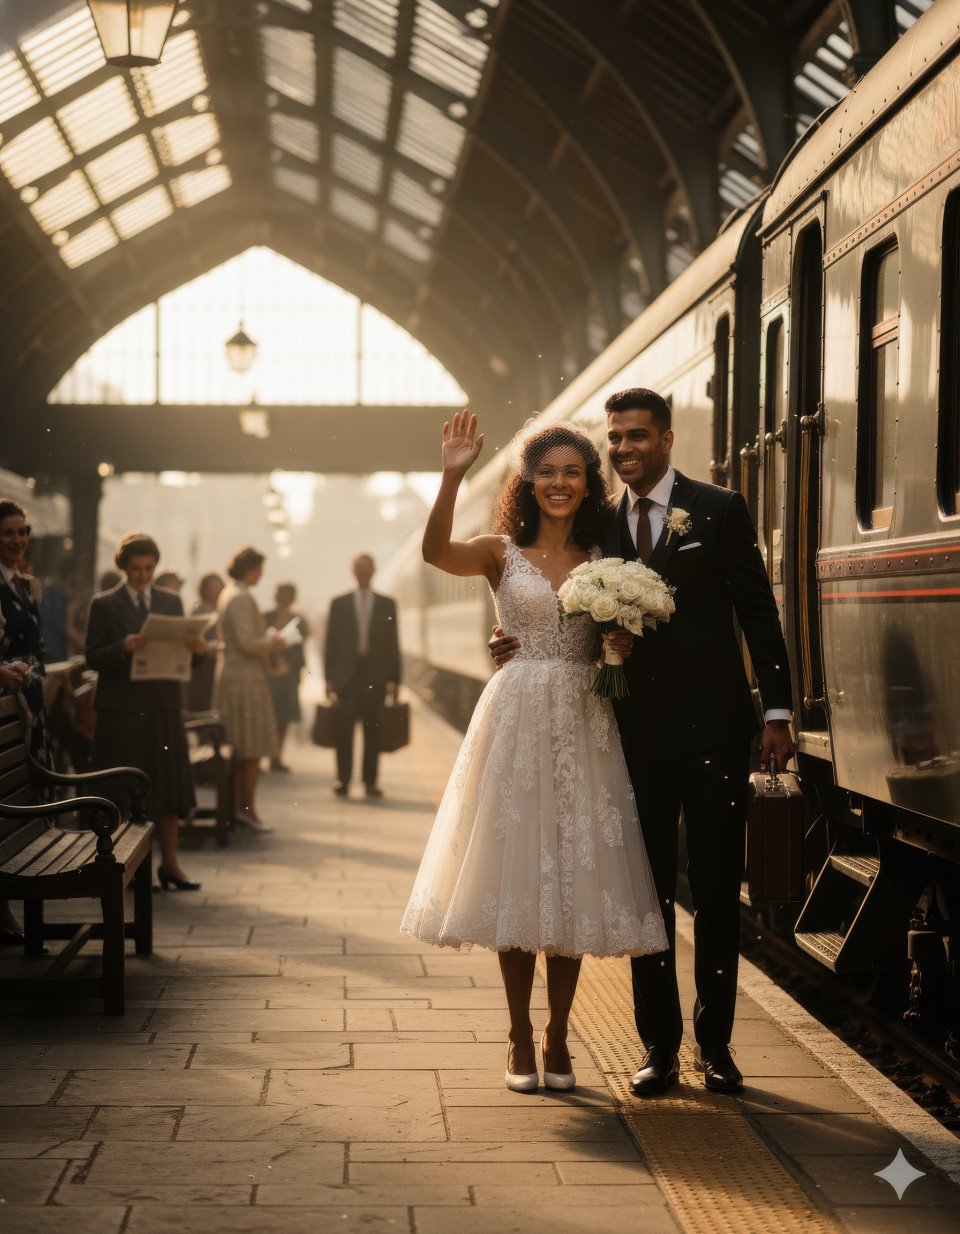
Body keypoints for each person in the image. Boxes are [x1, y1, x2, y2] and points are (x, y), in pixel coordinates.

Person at [491, 388, 795, 1096]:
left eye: (636, 436)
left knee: (718, 890)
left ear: (665, 437)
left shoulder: (717, 509)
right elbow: (549, 586)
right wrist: (510, 634)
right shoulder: (597, 523)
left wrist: (777, 713)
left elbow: (757, 612)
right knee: (647, 894)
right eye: (615, 439)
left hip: (717, 728)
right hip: (628, 734)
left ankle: (715, 1048)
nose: (623, 448)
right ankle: (658, 1047)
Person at [401, 412, 667, 1093]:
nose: (558, 483)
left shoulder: (605, 559)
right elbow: (434, 553)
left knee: (571, 880)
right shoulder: (499, 551)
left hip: (585, 720)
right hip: (517, 717)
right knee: (519, 874)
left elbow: (628, 631)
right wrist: (451, 474)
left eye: (571, 472)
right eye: (545, 472)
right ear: (528, 481)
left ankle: (558, 1034)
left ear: (588, 484)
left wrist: (623, 645)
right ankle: (519, 1031)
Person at [85, 532, 210, 892]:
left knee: (167, 788)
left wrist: (198, 648)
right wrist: (123, 647)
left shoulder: (170, 601)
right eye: (136, 569)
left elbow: (193, 657)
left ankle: (170, 865)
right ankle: (127, 870)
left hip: (162, 706)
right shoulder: (105, 604)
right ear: (124, 568)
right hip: (122, 712)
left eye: (148, 568)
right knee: (124, 790)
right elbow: (93, 656)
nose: (142, 576)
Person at [0, 499, 53, 945]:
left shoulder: (27, 584)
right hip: (3, 703)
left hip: (29, 705)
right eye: (7, 533)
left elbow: (39, 646)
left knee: (28, 795)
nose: (17, 540)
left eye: (22, 532)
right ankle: (4, 911)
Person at [214, 547, 285, 832]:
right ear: (250, 569)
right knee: (251, 747)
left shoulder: (228, 593)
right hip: (245, 680)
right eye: (259, 569)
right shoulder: (242, 597)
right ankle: (247, 810)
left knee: (240, 747)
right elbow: (247, 642)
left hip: (234, 676)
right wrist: (275, 641)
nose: (261, 574)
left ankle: (239, 809)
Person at [324, 553, 400, 799]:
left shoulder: (387, 603)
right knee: (343, 731)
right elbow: (330, 644)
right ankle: (343, 780)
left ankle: (370, 782)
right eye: (359, 569)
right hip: (347, 678)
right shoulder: (340, 603)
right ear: (353, 572)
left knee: (373, 732)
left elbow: (393, 644)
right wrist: (329, 678)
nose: (364, 573)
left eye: (367, 569)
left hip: (375, 678)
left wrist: (395, 681)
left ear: (373, 571)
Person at [264, 582, 309, 772]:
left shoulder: (300, 620)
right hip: (267, 674)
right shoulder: (265, 616)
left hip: (289, 675)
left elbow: (297, 643)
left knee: (283, 718)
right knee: (267, 716)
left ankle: (276, 756)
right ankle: (263, 755)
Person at [185, 571, 224, 713]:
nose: (217, 590)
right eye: (212, 587)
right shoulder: (198, 610)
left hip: (218, 666)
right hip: (202, 668)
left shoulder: (224, 610)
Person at [38, 555, 77, 663]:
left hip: (45, 649)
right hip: (53, 652)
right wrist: (85, 642)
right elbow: (64, 626)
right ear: (70, 575)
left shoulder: (49, 590)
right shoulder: (58, 594)